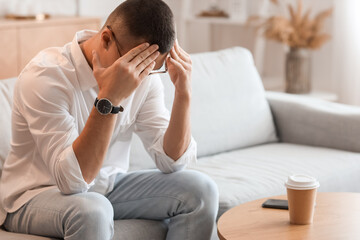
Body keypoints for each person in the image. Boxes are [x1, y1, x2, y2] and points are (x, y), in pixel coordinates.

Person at [0, 0, 219, 239]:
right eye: (136, 62)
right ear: (106, 39)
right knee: (93, 210)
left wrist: (183, 93)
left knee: (201, 190)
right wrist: (109, 99)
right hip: (32, 196)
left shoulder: (146, 76)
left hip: (105, 186)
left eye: (152, 67)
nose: (143, 74)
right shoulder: (46, 76)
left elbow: (172, 162)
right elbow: (72, 182)